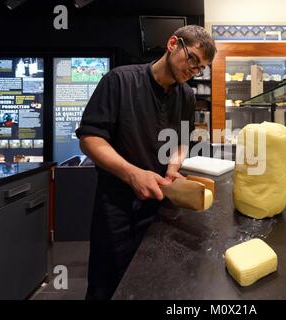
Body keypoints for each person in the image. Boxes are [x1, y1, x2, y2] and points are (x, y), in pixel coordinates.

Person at [75, 25, 216, 300]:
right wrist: (132, 174)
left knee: (151, 282)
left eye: (200, 68)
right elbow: (90, 138)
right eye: (192, 60)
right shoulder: (119, 81)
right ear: (173, 43)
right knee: (107, 283)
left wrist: (174, 168)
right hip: (116, 206)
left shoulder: (186, 95)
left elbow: (182, 141)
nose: (193, 71)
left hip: (159, 204)